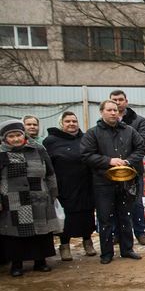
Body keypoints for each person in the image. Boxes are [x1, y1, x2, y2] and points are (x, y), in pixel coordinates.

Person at [80, 100, 145, 264]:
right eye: (109, 110)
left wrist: (128, 161)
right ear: (101, 112)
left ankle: (127, 249)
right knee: (105, 218)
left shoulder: (129, 131)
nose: (113, 113)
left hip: (125, 181)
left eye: (115, 110)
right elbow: (86, 155)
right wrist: (108, 161)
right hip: (103, 182)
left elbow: (140, 148)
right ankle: (107, 253)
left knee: (125, 216)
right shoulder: (93, 133)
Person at [0, 119, 59, 276]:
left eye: (18, 135)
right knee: (15, 235)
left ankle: (40, 262)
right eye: (11, 136)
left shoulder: (38, 149)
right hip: (12, 200)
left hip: (39, 196)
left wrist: (53, 193)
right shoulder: (1, 153)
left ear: (24, 135)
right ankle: (17, 265)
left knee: (41, 231)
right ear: (4, 138)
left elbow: (50, 173)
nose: (16, 139)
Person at [42, 111, 97, 260]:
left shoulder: (86, 138)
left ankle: (87, 242)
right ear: (61, 124)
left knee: (87, 216)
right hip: (64, 186)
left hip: (85, 184)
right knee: (67, 218)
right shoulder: (51, 141)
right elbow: (47, 164)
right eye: (68, 121)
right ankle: (64, 246)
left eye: (74, 121)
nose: (71, 124)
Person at [110, 90, 145, 246]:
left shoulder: (138, 120)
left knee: (136, 202)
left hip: (133, 168)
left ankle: (140, 232)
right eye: (114, 100)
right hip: (112, 169)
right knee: (115, 202)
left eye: (120, 99)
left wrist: (126, 155)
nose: (118, 102)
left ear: (126, 101)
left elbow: (144, 140)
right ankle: (117, 234)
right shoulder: (106, 122)